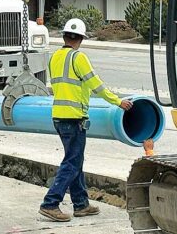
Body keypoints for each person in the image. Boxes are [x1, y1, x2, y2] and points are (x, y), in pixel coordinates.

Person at [39, 18, 133, 222]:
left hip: (59, 116)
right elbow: (95, 85)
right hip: (74, 118)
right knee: (72, 163)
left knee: (75, 161)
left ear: (64, 36)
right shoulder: (78, 58)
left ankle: (81, 204)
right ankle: (50, 203)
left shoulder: (55, 57)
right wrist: (118, 102)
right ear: (81, 38)